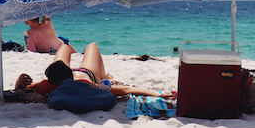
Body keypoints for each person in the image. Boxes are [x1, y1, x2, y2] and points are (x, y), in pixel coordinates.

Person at [15, 42, 174, 98]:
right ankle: (104, 75)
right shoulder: (87, 85)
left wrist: (18, 83)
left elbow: (21, 90)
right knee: (91, 46)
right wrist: (156, 93)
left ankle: (103, 74)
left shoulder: (46, 86)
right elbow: (126, 89)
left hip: (62, 76)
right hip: (86, 73)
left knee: (63, 47)